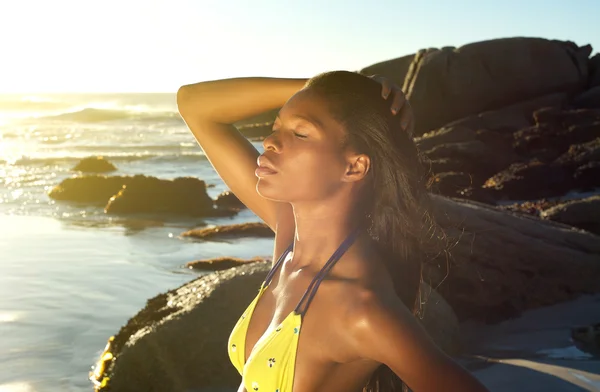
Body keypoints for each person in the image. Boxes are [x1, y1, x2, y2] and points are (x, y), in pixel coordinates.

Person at [177, 72, 489, 392]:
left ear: (354, 167)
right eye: (275, 127)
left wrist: (336, 95)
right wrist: (325, 89)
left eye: (300, 133)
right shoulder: (290, 238)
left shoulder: (360, 307)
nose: (270, 141)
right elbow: (193, 103)